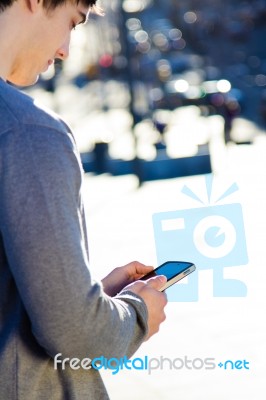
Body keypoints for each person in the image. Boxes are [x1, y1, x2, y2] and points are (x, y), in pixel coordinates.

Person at [0, 0, 168, 399]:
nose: (64, 51)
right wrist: (137, 314)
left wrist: (86, 297)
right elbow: (78, 334)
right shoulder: (26, 133)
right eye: (71, 23)